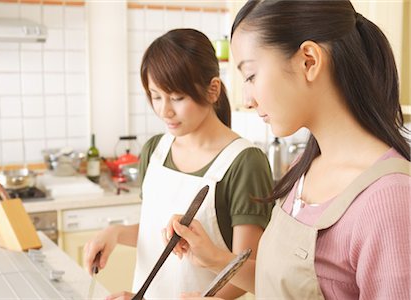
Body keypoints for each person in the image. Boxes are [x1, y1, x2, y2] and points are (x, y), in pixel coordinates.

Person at [165, 1, 411, 299]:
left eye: (251, 76)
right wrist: (213, 257)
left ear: (308, 61)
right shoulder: (303, 169)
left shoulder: (389, 199)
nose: (247, 99)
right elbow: (283, 284)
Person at [83, 28, 274, 299]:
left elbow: (244, 272)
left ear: (212, 89)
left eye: (177, 97)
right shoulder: (155, 150)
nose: (164, 111)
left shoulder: (244, 162)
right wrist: (114, 233)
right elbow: (156, 232)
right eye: (156, 96)